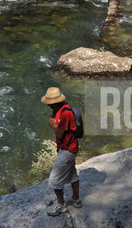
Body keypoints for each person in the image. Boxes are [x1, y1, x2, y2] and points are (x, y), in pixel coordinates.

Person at [41, 87, 81, 216]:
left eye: (50, 103)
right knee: (72, 175)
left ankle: (61, 206)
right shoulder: (58, 109)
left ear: (56, 102)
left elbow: (59, 134)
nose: (48, 105)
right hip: (69, 147)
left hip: (68, 149)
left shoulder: (65, 113)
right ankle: (76, 200)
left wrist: (52, 125)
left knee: (54, 180)